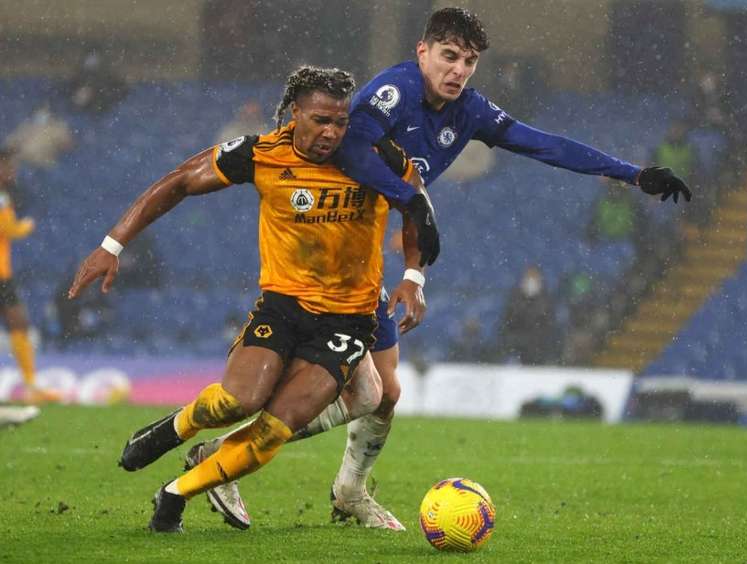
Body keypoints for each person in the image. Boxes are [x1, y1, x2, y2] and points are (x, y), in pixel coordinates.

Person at [198, 6, 692, 531]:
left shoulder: (469, 110)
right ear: (423, 52)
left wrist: (633, 175)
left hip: (364, 265)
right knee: (333, 391)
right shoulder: (392, 93)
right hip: (316, 256)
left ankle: (348, 491)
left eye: (469, 61)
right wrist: (411, 199)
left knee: (384, 395)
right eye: (449, 57)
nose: (458, 70)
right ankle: (224, 457)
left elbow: (546, 145)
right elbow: (348, 153)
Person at [68, 66, 427, 533]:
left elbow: (416, 204)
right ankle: (173, 429)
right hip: (283, 305)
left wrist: (414, 275)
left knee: (278, 426)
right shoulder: (262, 153)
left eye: (339, 122)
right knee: (240, 400)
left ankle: (175, 494)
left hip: (346, 321)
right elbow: (180, 181)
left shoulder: (375, 154)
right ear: (294, 114)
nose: (331, 132)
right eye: (320, 120)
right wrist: (112, 245)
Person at [0, 150, 59, 403]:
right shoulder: (2, 197)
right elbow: (8, 229)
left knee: (19, 323)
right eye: (9, 167)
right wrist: (28, 225)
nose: (13, 172)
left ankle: (30, 385)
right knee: (19, 322)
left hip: (4, 274)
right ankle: (30, 385)